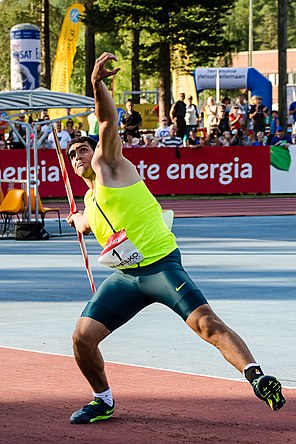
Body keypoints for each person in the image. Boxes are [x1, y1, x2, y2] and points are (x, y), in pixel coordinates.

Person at [65, 52, 285, 425]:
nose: (78, 155)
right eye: (72, 154)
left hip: (161, 266)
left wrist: (97, 84)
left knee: (206, 325)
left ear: (96, 150)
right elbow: (86, 220)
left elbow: (106, 120)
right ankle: (103, 400)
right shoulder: (89, 198)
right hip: (127, 278)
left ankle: (258, 376)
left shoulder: (111, 166)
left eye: (82, 148)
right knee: (81, 338)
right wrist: (76, 219)